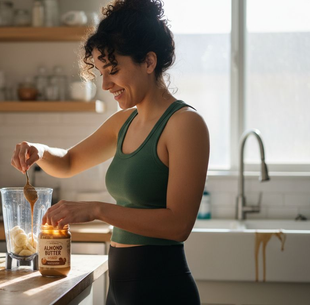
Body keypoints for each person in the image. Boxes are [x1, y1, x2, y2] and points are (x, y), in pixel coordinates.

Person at [11, 0, 209, 303]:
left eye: (113, 71)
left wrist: (97, 209)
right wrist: (40, 150)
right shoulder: (124, 122)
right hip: (120, 289)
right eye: (101, 72)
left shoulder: (185, 124)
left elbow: (178, 225)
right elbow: (68, 162)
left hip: (162, 288)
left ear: (148, 62)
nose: (105, 85)